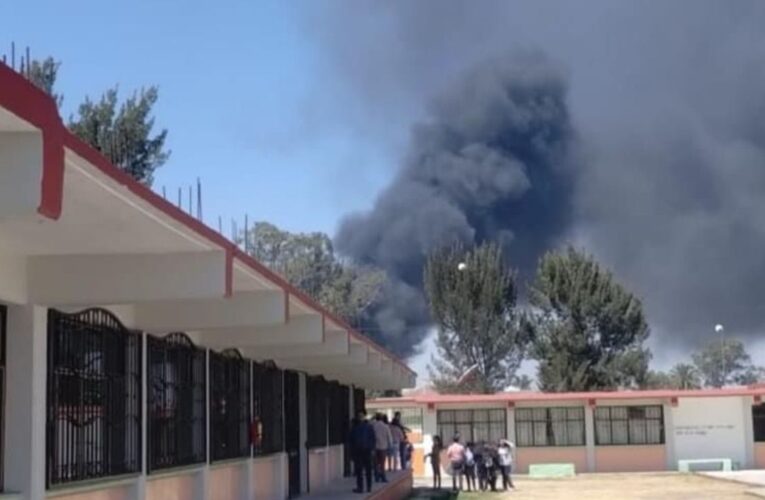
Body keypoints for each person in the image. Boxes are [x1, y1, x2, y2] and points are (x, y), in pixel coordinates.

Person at [348, 411, 375, 494]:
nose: (360, 417)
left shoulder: (368, 427)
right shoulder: (355, 428)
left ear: (364, 416)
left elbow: (373, 439)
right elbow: (351, 440)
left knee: (367, 470)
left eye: (361, 416)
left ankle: (367, 487)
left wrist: (372, 448)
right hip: (359, 451)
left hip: (366, 450)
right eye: (359, 416)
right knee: (360, 470)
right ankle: (362, 487)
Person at [371, 413, 392, 483]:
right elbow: (389, 437)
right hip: (383, 447)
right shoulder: (385, 426)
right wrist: (390, 446)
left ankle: (377, 477)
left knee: (376, 463)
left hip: (375, 447)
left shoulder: (373, 426)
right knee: (382, 463)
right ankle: (383, 477)